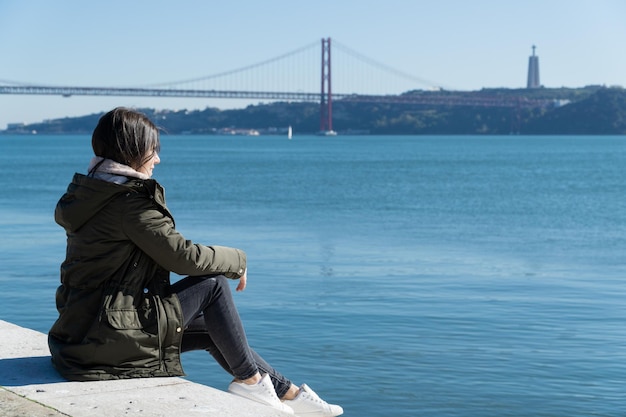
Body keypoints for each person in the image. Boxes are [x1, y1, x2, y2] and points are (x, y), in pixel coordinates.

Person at [48, 107, 343, 417]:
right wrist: (238, 260)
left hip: (81, 334)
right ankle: (250, 380)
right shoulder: (128, 204)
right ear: (132, 149)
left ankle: (287, 392)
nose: (157, 158)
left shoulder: (91, 193)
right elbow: (182, 256)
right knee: (213, 284)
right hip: (105, 337)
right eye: (153, 149)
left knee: (213, 329)